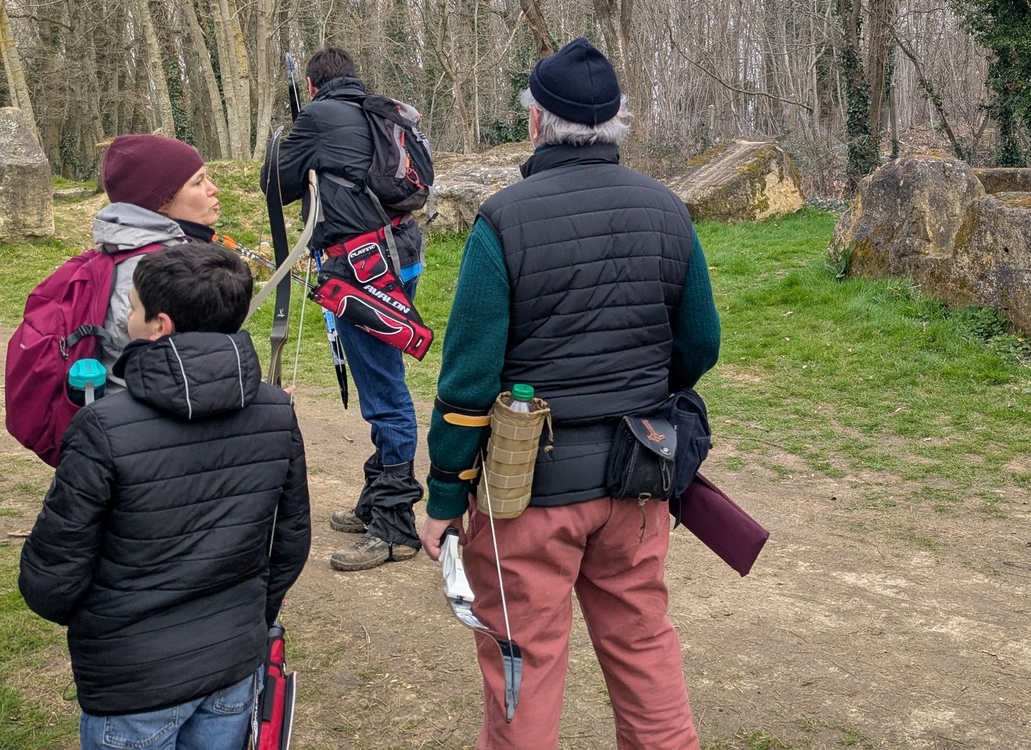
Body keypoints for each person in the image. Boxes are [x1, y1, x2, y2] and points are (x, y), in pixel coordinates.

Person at [421, 37, 721, 750]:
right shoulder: (668, 208)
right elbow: (700, 344)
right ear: (617, 121)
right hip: (638, 478)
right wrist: (640, 391)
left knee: (523, 663)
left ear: (535, 120)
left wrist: (443, 497)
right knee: (644, 647)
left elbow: (468, 382)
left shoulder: (503, 218)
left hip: (526, 494)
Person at [18, 242, 310, 750]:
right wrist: (248, 618)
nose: (125, 317)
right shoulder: (277, 412)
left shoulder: (102, 426)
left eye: (132, 307)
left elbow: (52, 574)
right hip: (231, 662)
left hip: (134, 678)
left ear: (160, 326)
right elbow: (291, 544)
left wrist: (102, 626)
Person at [278, 46, 426, 571]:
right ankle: (377, 499)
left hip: (364, 269)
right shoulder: (380, 113)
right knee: (379, 379)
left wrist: (291, 138)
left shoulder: (319, 116)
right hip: (401, 256)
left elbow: (277, 184)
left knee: (384, 391)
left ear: (312, 86)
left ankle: (395, 526)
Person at [92, 133, 223, 387]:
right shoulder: (150, 270)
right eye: (198, 182)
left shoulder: (165, 252)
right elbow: (176, 381)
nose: (212, 188)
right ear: (163, 202)